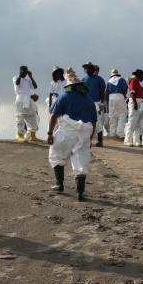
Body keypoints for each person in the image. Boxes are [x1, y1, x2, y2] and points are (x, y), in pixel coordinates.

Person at [47, 68, 97, 200]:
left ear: (68, 85)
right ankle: (80, 192)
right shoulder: (89, 99)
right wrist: (90, 139)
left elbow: (53, 116)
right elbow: (94, 121)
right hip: (84, 134)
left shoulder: (64, 96)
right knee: (81, 163)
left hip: (66, 133)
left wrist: (50, 133)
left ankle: (59, 184)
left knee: (56, 155)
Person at [81, 62, 108, 147]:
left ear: (92, 69)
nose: (86, 69)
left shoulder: (100, 79)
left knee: (97, 122)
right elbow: (81, 92)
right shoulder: (83, 79)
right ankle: (86, 140)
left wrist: (103, 103)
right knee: (85, 121)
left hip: (96, 103)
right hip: (85, 103)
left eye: (88, 68)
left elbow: (102, 92)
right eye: (85, 68)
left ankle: (100, 141)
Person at [13, 65, 39, 142]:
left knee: (32, 115)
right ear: (20, 71)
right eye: (23, 71)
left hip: (28, 98)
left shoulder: (28, 80)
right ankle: (19, 135)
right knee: (20, 116)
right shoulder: (16, 78)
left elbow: (35, 86)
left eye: (26, 71)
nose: (25, 73)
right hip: (20, 98)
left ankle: (32, 135)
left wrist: (31, 76)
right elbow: (17, 83)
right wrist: (20, 75)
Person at [125, 68, 143, 147]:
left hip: (140, 103)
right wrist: (135, 103)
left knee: (138, 124)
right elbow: (132, 93)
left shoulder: (137, 83)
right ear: (139, 75)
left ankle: (137, 141)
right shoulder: (134, 81)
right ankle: (127, 140)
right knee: (132, 122)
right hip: (135, 102)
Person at [106, 68, 128, 142]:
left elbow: (106, 92)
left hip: (111, 97)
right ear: (117, 73)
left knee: (112, 116)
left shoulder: (109, 81)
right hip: (120, 96)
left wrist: (107, 102)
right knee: (122, 115)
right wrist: (123, 96)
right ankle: (120, 133)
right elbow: (125, 89)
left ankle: (112, 134)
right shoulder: (122, 79)